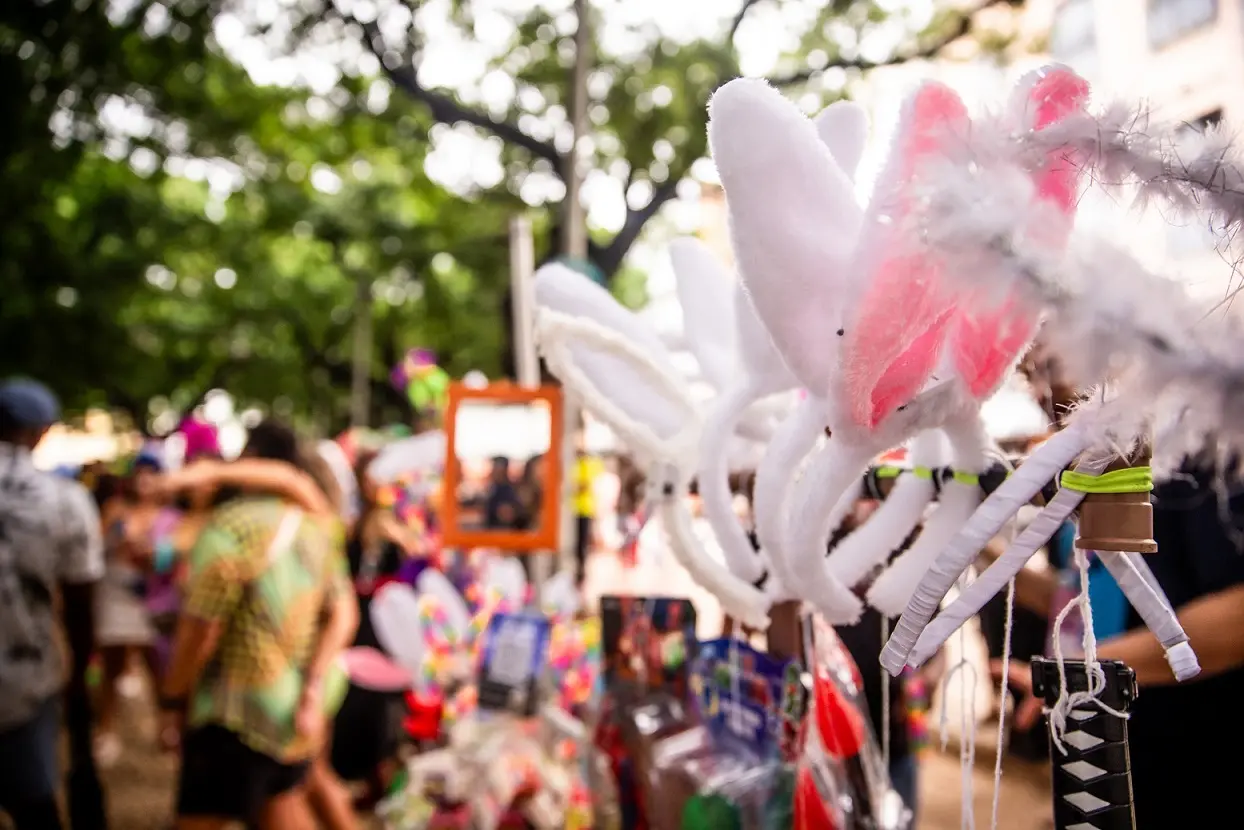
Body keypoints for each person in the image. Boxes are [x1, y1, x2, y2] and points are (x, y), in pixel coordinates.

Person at [998, 456, 1244, 829]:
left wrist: (1086, 668)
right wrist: (978, 555)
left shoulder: (1208, 453)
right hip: (1121, 747)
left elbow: (1236, 618)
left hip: (1195, 757)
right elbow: (1080, 599)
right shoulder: (1098, 462)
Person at [160, 419, 356, 830]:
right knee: (283, 805)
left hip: (233, 714)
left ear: (249, 460)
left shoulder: (231, 526)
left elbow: (202, 630)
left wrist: (174, 699)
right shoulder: (317, 523)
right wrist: (314, 687)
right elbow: (344, 613)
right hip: (292, 708)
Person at [0, 379, 105, 830]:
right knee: (35, 803)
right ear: (41, 431)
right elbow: (81, 600)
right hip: (25, 677)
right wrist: (80, 675)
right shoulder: (65, 501)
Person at [573, 447, 604, 584]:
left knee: (582, 543)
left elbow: (587, 485)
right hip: (574, 510)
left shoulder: (590, 465)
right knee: (577, 543)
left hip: (585, 510)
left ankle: (581, 569)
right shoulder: (574, 465)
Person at [483, 455, 521, 530]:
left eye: (498, 468)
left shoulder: (509, 490)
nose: (494, 471)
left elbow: (507, 515)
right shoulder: (492, 487)